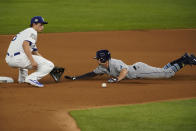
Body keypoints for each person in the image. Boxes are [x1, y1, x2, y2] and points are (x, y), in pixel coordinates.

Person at [64, 49, 196, 83]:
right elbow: (92, 74)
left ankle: (184, 61)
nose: (96, 60)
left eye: (98, 58)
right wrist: (77, 78)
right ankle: (182, 58)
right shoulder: (103, 67)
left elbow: (125, 70)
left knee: (167, 74)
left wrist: (117, 79)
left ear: (103, 59)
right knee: (162, 70)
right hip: (137, 69)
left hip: (139, 71)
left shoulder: (115, 62)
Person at [5, 16, 64, 87]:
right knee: (49, 64)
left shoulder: (26, 32)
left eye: (43, 25)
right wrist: (33, 61)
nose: (42, 27)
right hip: (18, 59)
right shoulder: (32, 31)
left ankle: (22, 79)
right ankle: (31, 78)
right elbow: (25, 45)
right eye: (40, 25)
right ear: (34, 24)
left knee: (28, 56)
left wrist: (49, 67)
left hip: (10, 60)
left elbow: (35, 52)